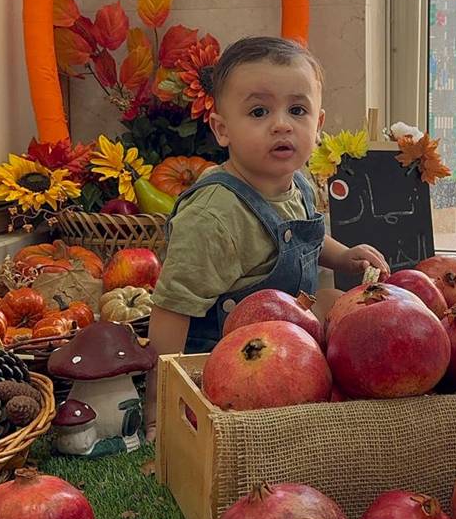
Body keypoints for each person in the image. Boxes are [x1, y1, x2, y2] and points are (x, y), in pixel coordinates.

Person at [145, 36, 389, 437]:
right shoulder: (213, 215)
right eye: (259, 111)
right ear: (222, 129)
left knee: (340, 311)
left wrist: (344, 256)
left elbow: (308, 238)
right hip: (226, 362)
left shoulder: (299, 184)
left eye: (297, 110)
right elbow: (173, 307)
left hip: (286, 344)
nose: (282, 124)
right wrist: (162, 402)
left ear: (318, 125)